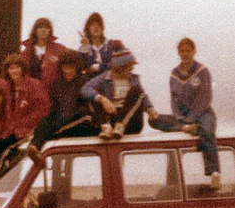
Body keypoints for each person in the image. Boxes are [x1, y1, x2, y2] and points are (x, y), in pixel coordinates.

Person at [149, 38, 221, 189]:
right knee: (154, 120)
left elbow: (205, 97)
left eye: (188, 50)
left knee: (207, 130)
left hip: (203, 113)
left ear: (194, 51)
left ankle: (214, 171)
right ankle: (187, 128)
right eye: (182, 51)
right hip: (182, 117)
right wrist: (182, 119)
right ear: (178, 53)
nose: (185, 53)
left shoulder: (202, 71)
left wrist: (191, 119)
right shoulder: (174, 74)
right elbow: (174, 100)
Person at [0, 54, 49, 178]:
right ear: (7, 70)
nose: (14, 71)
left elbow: (42, 111)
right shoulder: (7, 87)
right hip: (10, 131)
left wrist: (21, 124)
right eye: (11, 68)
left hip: (27, 132)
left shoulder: (35, 85)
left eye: (16, 67)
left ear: (22, 68)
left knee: (5, 156)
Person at [81, 40, 158, 140]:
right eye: (129, 68)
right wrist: (102, 99)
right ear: (120, 68)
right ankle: (106, 127)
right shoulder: (104, 78)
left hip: (129, 122)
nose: (131, 70)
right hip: (111, 119)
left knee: (137, 90)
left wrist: (150, 109)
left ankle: (120, 125)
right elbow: (85, 89)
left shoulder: (134, 79)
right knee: (95, 97)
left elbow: (142, 97)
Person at [29, 50, 98, 152]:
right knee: (45, 121)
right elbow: (53, 108)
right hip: (60, 120)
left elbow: (89, 105)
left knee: (54, 131)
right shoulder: (56, 84)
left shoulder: (84, 81)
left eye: (71, 68)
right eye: (65, 67)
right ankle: (34, 147)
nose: (68, 71)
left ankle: (43, 141)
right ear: (61, 67)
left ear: (77, 67)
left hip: (78, 120)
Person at [21, 18, 67, 94]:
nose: (43, 30)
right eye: (40, 27)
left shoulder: (60, 49)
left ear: (50, 31)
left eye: (46, 28)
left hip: (54, 93)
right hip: (33, 93)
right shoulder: (26, 52)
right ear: (35, 31)